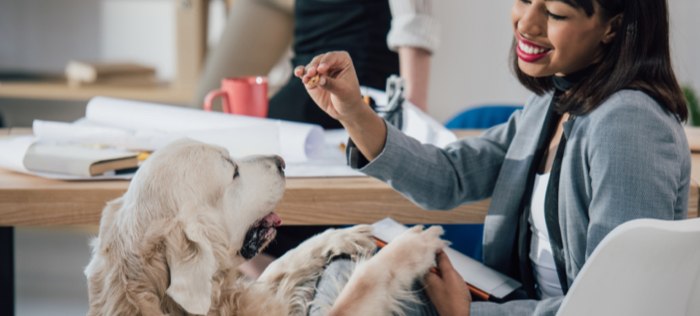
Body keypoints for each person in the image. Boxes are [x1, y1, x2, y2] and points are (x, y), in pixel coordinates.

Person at [295, 0, 690, 314]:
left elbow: (620, 304)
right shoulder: (554, 103)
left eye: (554, 12)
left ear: (613, 27)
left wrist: (467, 314)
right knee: (344, 276)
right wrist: (353, 111)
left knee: (350, 292)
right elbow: (449, 177)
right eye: (523, 0)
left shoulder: (628, 124)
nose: (526, 24)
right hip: (515, 301)